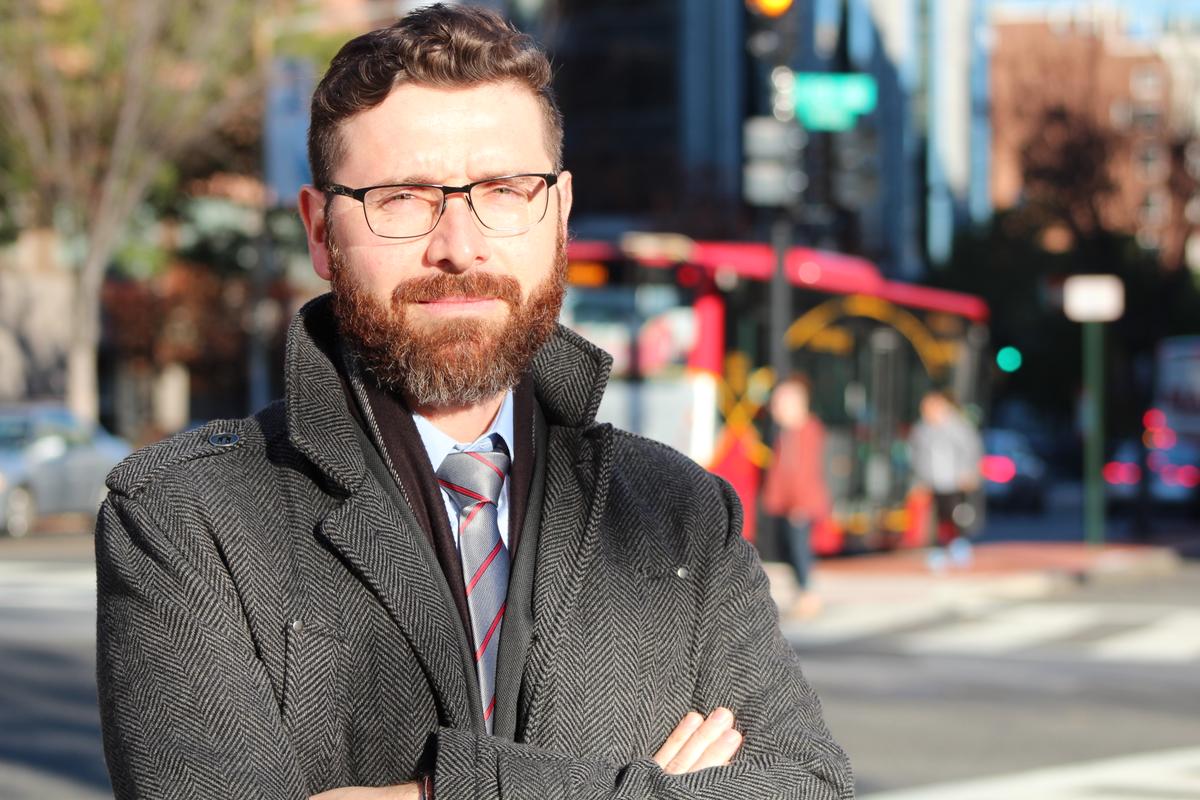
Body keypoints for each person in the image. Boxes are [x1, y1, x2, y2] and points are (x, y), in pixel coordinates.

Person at [95, 6, 851, 799]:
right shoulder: (187, 518)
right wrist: (645, 788)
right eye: (401, 198)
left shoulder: (682, 514)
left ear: (557, 217)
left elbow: (810, 788)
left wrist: (436, 793)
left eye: (505, 189)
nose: (459, 245)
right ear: (321, 232)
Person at [762, 375, 831, 619]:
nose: (775, 408)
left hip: (800, 504)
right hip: (789, 503)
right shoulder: (787, 433)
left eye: (780, 403)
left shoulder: (806, 432)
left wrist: (799, 503)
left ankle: (808, 595)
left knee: (799, 550)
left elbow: (803, 472)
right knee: (791, 549)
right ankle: (804, 594)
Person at [908, 388, 983, 566]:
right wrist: (918, 481)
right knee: (936, 516)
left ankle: (958, 544)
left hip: (954, 480)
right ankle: (938, 548)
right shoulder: (921, 430)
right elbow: (915, 457)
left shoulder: (958, 427)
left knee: (957, 513)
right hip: (932, 480)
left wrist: (969, 472)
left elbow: (971, 450)